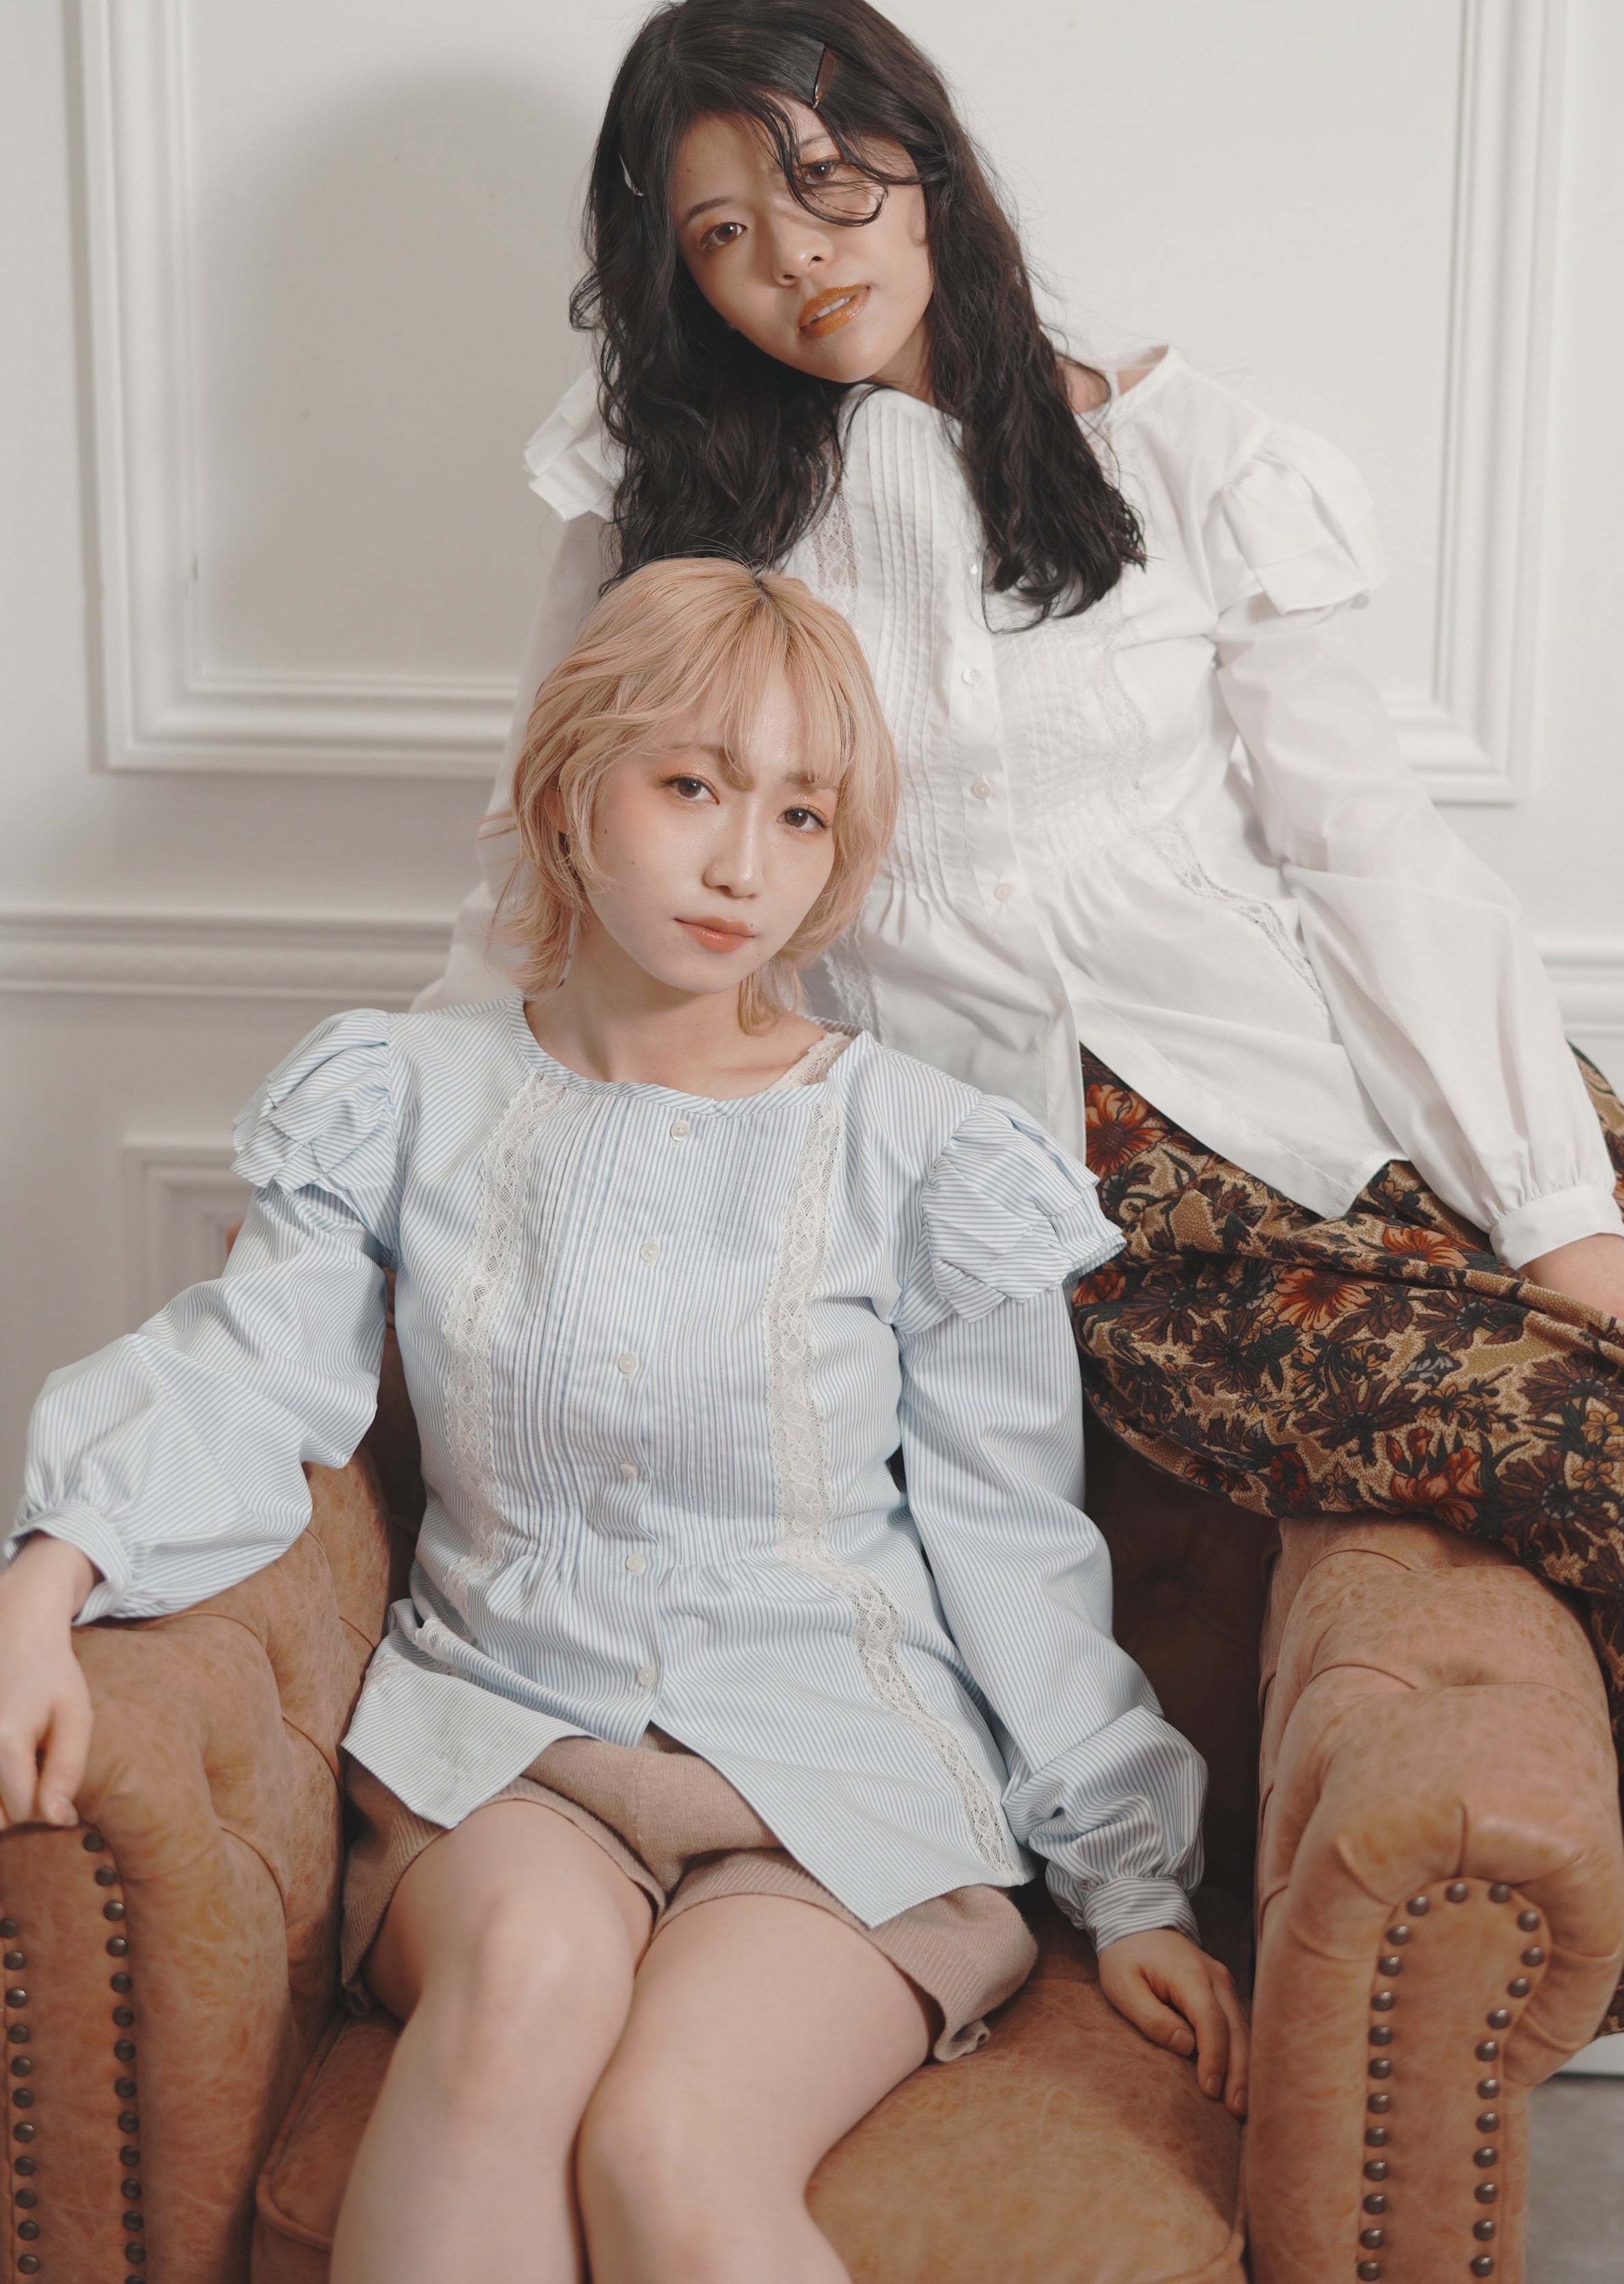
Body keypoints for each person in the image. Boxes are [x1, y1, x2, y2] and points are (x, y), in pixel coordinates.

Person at [423, 0, 1624, 2284]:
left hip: (1360, 1085)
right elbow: (541, 848)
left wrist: (1545, 1202)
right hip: (1086, 1191)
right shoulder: (665, 508)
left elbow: (1366, 852)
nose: (794, 261)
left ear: (923, 154)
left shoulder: (1181, 456)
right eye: (719, 236)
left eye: (825, 181)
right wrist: (432, 1142)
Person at [0, 559, 1241, 2284]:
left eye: (800, 814)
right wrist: (44, 1585)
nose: (745, 865)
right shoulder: (403, 1092)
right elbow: (245, 1365)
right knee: (522, 1988)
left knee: (669, 2142)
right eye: (691, 786)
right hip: (506, 1745)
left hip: (838, 1773)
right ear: (570, 788)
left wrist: (1132, 1885)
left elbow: (1012, 1541)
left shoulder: (926, 1152)